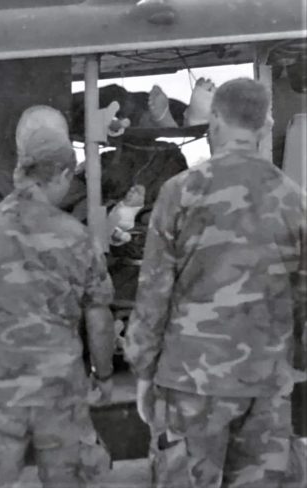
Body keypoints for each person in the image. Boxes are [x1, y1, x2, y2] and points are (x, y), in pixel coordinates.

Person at [125, 78, 307, 487]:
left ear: (216, 121)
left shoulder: (180, 192)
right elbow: (304, 296)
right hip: (265, 382)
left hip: (192, 382)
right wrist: (294, 364)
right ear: (263, 127)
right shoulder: (294, 198)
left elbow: (153, 293)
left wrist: (142, 371)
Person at [0, 105, 117, 487]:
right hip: (60, 391)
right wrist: (104, 375)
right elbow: (98, 319)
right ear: (64, 174)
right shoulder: (77, 237)